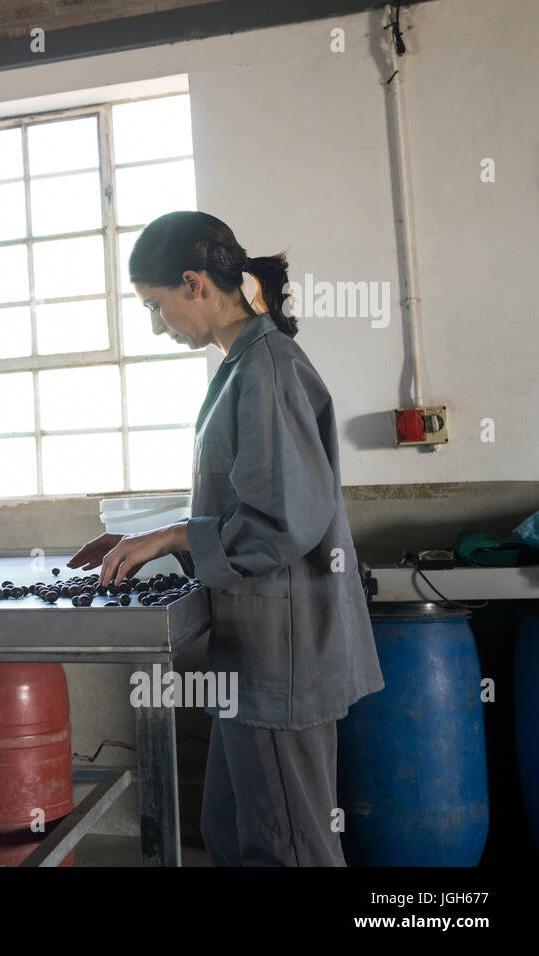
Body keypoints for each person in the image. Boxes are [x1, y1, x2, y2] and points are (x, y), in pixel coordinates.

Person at [68, 210, 384, 866]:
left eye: (155, 307)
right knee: (238, 833)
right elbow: (244, 498)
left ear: (193, 284)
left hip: (281, 655)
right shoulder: (242, 369)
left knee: (287, 847)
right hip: (254, 651)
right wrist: (157, 537)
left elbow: (282, 521)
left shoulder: (265, 371)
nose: (159, 325)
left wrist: (174, 536)